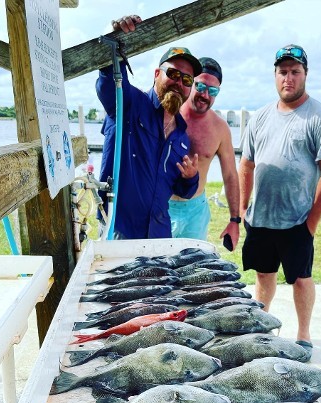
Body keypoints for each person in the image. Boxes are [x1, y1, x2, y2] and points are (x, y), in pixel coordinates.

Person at [238, 44, 321, 360]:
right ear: (275, 75)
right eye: (283, 72)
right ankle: (263, 329)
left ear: (305, 75)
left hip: (297, 219)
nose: (288, 78)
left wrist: (311, 223)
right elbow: (247, 163)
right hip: (261, 218)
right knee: (263, 276)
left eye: (295, 72)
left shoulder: (320, 116)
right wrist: (243, 208)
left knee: (300, 278)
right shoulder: (259, 117)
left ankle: (303, 336)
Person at [96, 15, 201, 239]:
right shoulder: (128, 104)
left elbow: (181, 190)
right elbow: (109, 78)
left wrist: (190, 177)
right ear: (156, 74)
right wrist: (113, 33)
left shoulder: (181, 137)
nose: (179, 82)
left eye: (187, 80)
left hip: (160, 235)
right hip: (119, 231)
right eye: (173, 74)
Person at [168, 57, 241, 249]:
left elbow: (231, 175)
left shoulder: (220, 128)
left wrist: (235, 220)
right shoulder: (169, 114)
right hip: (162, 207)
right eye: (200, 87)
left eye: (213, 90)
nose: (206, 95)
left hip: (195, 211)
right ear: (190, 82)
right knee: (158, 268)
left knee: (193, 269)